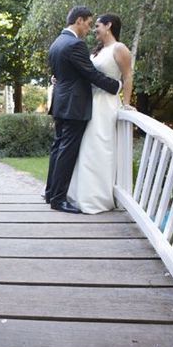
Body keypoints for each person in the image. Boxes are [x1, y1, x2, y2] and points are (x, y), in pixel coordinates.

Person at [44, 6, 121, 214]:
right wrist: (116, 87)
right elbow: (90, 74)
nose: (89, 29)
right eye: (88, 24)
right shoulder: (75, 44)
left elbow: (61, 75)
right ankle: (58, 199)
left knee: (58, 147)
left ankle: (51, 192)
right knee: (67, 151)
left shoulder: (57, 42)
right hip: (74, 105)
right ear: (79, 20)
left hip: (61, 102)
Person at [67, 13, 134, 213]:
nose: (94, 29)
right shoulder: (97, 51)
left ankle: (96, 199)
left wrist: (127, 103)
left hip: (106, 105)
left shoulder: (119, 48)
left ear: (109, 25)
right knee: (86, 149)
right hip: (90, 103)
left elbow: (128, 75)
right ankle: (80, 195)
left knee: (99, 148)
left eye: (97, 25)